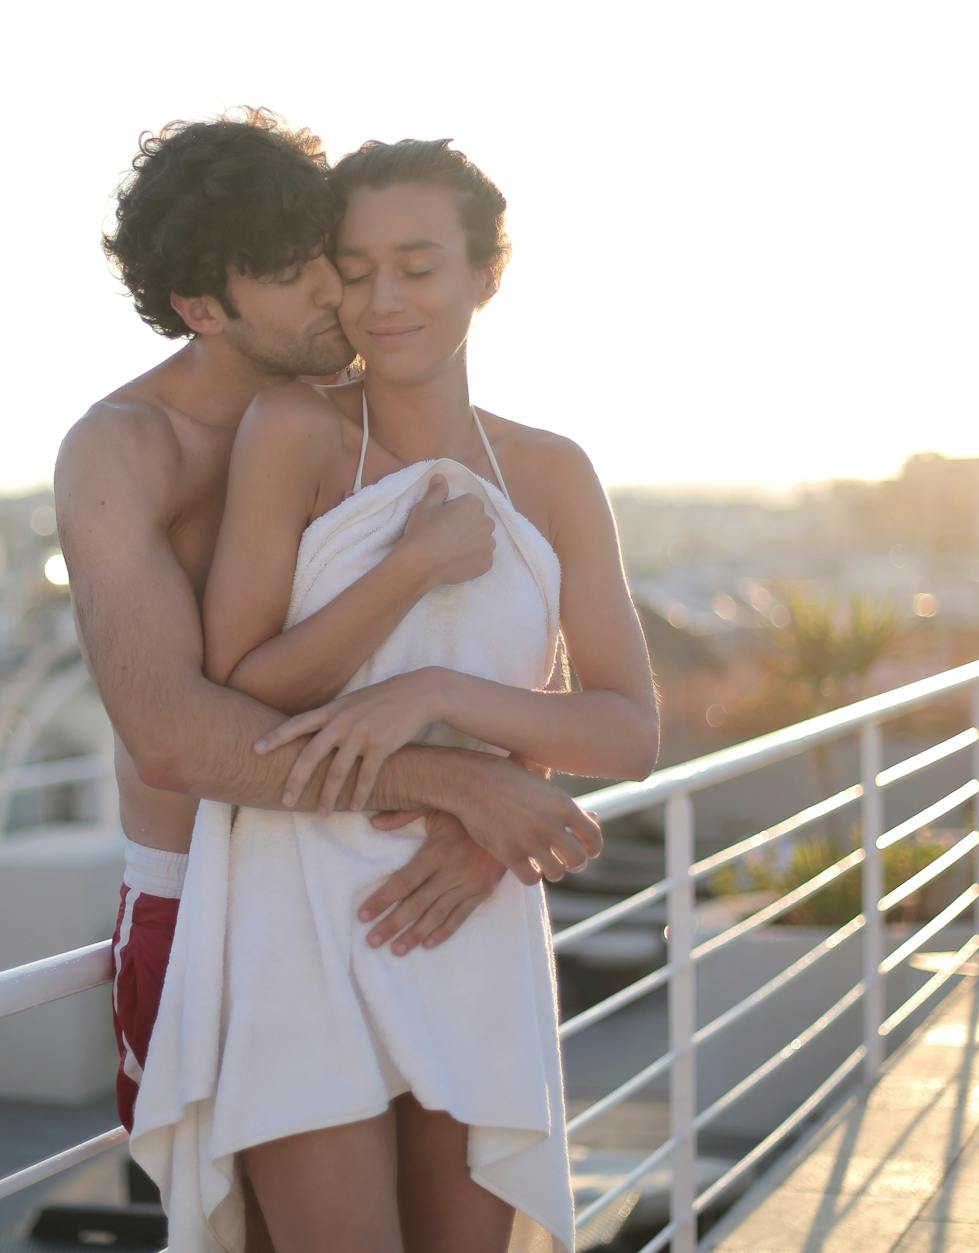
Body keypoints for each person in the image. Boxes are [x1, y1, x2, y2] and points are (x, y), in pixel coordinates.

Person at [53, 109, 607, 1176]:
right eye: (291, 273)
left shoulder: (348, 422)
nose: (334, 292)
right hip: (203, 901)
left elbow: (511, 637)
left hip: (395, 889)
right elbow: (174, 737)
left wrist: (500, 795)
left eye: (328, 259)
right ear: (200, 307)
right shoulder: (123, 450)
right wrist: (453, 783)